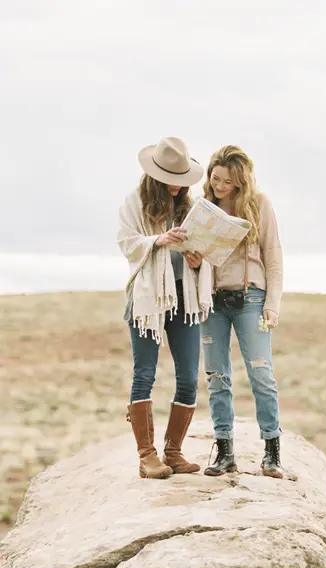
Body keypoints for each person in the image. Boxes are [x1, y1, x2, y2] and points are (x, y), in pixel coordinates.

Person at [117, 137, 212, 479]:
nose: (178, 185)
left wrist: (200, 262)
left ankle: (173, 452)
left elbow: (207, 253)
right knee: (145, 374)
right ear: (156, 176)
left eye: (183, 178)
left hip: (184, 300)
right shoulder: (134, 203)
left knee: (188, 377)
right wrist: (157, 241)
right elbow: (127, 243)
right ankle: (147, 456)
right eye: (172, 178)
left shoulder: (192, 207)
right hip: (147, 302)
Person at [200, 145, 284, 478]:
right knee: (216, 377)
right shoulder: (204, 208)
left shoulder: (259, 205)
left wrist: (272, 305)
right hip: (212, 301)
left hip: (251, 298)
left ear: (241, 181)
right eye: (215, 178)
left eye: (227, 181)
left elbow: (274, 259)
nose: (219, 185)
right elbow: (196, 256)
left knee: (261, 375)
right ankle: (224, 452)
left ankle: (272, 452)